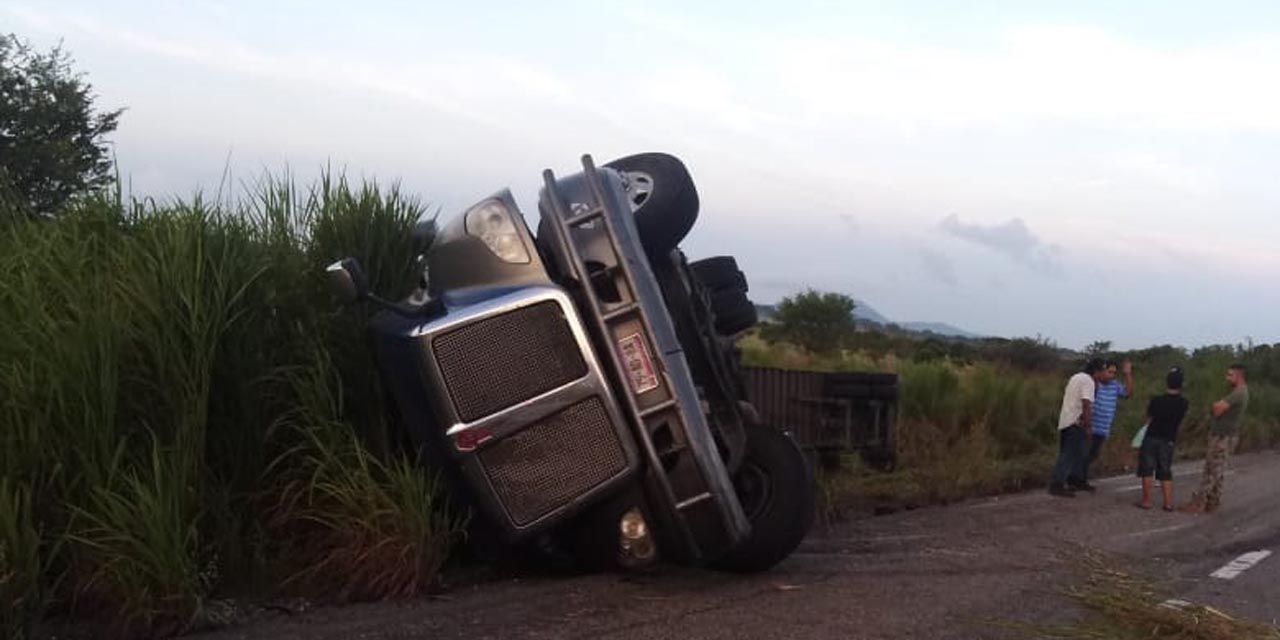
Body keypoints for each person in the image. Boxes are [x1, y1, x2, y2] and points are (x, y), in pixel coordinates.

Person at [1182, 364, 1250, 513]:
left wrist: (1215, 407)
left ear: (1239, 376)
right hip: (1224, 435)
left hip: (1223, 437)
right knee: (1217, 469)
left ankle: (1199, 502)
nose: (1227, 378)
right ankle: (1213, 501)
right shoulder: (1238, 392)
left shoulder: (1238, 393)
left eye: (1230, 375)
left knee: (1212, 469)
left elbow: (1218, 408)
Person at [1049, 358, 1106, 497]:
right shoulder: (1088, 381)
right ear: (1097, 371)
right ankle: (1057, 484)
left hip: (1066, 419)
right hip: (1076, 422)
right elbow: (1086, 404)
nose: (1104, 374)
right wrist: (1088, 425)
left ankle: (1073, 480)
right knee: (1069, 454)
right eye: (1103, 370)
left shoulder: (1077, 377)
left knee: (1075, 453)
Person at [1075, 359, 1134, 487]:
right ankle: (1076, 479)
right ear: (1101, 371)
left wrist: (1128, 374)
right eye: (1109, 372)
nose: (1111, 375)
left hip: (1103, 427)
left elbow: (1128, 393)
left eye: (1114, 373)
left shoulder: (1114, 385)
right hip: (1090, 425)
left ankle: (1080, 479)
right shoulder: (1092, 383)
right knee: (1083, 454)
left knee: (1091, 455)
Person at [1136, 367, 1188, 511]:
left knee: (1147, 469)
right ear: (1181, 384)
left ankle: (1147, 501)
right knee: (1165, 470)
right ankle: (1168, 503)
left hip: (1152, 436)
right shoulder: (1183, 403)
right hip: (1168, 439)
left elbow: (1149, 419)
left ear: (1167, 383)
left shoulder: (1156, 400)